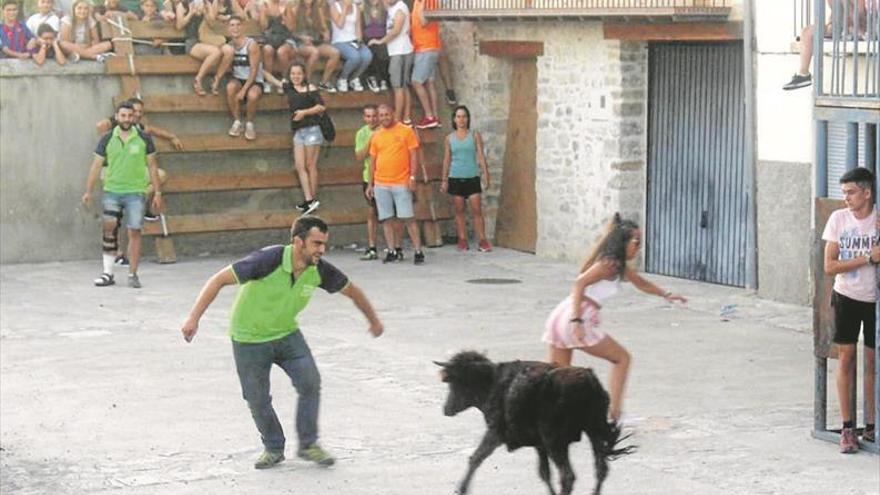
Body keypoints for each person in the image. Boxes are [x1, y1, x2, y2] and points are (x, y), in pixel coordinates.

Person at [179, 215, 384, 470]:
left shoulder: (318, 269)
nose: (321, 250)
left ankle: (309, 444)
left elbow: (353, 291)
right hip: (249, 338)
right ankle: (274, 447)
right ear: (298, 242)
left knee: (310, 382)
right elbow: (218, 280)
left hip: (287, 334)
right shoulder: (268, 260)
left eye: (324, 244)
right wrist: (193, 318)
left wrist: (373, 321)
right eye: (316, 243)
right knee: (257, 399)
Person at [543, 214, 687, 422]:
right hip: (578, 315)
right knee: (622, 358)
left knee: (558, 376)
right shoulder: (608, 264)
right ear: (623, 241)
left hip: (560, 315)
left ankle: (544, 418)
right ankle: (615, 415)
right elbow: (579, 283)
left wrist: (666, 295)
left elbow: (642, 283)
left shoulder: (616, 265)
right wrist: (577, 321)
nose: (638, 248)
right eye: (635, 242)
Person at [822, 166, 878, 453]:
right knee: (846, 358)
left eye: (851, 192)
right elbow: (829, 266)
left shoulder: (878, 219)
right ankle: (847, 427)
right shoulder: (838, 219)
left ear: (867, 193)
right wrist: (868, 258)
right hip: (846, 296)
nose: (846, 198)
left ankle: (871, 425)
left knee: (873, 362)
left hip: (874, 300)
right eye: (843, 192)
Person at [81, 101, 164, 289]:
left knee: (134, 231)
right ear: (117, 117)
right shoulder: (107, 138)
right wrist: (88, 190)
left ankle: (133, 274)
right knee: (109, 232)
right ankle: (107, 273)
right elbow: (95, 166)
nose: (127, 119)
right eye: (123, 116)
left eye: (130, 116)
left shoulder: (143, 138)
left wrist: (157, 192)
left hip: (136, 193)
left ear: (134, 117)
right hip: (112, 191)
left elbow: (152, 166)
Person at [366, 103, 425, 265]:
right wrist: (370, 184)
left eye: (386, 114)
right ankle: (391, 250)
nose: (384, 117)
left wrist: (413, 177)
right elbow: (372, 161)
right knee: (386, 218)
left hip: (401, 181)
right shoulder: (376, 136)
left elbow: (414, 155)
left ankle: (418, 250)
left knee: (408, 217)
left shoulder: (406, 131)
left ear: (392, 114)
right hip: (381, 182)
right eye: (381, 115)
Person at [265, 62, 325, 214]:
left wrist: (304, 112)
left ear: (304, 74)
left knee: (310, 165)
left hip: (312, 130)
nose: (296, 77)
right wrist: (258, 68)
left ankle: (313, 198)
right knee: (300, 166)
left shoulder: (310, 89)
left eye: (298, 73)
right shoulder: (289, 87)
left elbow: (321, 107)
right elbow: (273, 80)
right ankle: (309, 199)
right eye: (293, 74)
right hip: (299, 131)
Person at [783, 0, 868, 90]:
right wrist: (832, 24)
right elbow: (836, 15)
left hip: (861, 27)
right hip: (839, 27)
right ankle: (803, 74)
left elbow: (861, 13)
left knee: (852, 25)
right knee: (807, 31)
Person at [440, 105, 491, 252]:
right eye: (458, 117)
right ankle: (462, 239)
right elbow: (447, 159)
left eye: (464, 116)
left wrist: (486, 174)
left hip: (472, 176)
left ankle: (482, 239)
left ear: (468, 119)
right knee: (459, 210)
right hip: (456, 177)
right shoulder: (449, 138)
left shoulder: (474, 135)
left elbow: (480, 155)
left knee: (476, 209)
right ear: (454, 119)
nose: (461, 120)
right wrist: (444, 180)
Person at [355, 104, 401, 260]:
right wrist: (371, 140)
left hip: (389, 177)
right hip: (370, 178)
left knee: (392, 215)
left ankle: (396, 247)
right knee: (372, 213)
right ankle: (372, 247)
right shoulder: (362, 133)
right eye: (368, 116)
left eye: (374, 116)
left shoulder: (388, 130)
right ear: (364, 118)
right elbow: (359, 157)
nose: (372, 119)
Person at [216, 15, 264, 140]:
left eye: (238, 25)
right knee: (230, 87)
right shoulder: (229, 46)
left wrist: (243, 91)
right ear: (228, 28)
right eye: (232, 25)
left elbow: (254, 71)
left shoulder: (251, 44)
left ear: (242, 27)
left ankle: (249, 123)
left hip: (253, 80)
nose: (235, 28)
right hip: (238, 78)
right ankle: (237, 122)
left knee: (252, 95)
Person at [367, 0, 412, 123]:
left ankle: (398, 118)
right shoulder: (391, 8)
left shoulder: (400, 8)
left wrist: (380, 41)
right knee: (402, 86)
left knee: (398, 86)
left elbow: (396, 30)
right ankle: (406, 117)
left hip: (401, 51)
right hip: (395, 51)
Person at [288, 0, 340, 93]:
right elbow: (291, 32)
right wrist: (303, 38)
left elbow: (324, 28)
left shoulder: (317, 10)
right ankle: (305, 81)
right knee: (314, 52)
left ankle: (324, 82)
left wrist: (326, 33)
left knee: (335, 53)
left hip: (315, 41)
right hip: (300, 42)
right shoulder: (295, 10)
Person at [174, 0, 223, 95]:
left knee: (221, 52)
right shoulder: (183, 5)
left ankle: (213, 81)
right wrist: (191, 13)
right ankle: (198, 79)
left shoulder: (207, 3)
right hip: (192, 42)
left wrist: (205, 12)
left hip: (206, 40)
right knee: (216, 52)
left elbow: (213, 24)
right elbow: (179, 26)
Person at [409, 0, 440, 129]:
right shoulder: (417, 2)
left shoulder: (429, 2)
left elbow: (424, 21)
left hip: (426, 47)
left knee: (416, 81)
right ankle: (435, 117)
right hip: (424, 46)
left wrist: (421, 7)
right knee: (429, 82)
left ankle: (429, 116)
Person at [328, 0, 371, 92]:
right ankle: (342, 78)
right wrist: (345, 7)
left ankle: (354, 78)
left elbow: (358, 27)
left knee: (367, 56)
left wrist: (359, 41)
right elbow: (340, 24)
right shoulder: (334, 7)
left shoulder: (356, 8)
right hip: (339, 41)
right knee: (355, 57)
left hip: (354, 40)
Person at [259, 0, 293, 94]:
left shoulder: (286, 6)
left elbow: (291, 28)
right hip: (270, 39)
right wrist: (265, 14)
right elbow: (263, 27)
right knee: (267, 50)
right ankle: (268, 81)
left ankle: (285, 79)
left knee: (281, 52)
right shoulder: (265, 5)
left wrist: (284, 16)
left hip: (285, 38)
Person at [361, 0, 388, 93]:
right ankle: (372, 78)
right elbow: (361, 28)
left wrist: (381, 40)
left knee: (383, 54)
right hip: (368, 38)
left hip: (382, 38)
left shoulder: (384, 9)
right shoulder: (362, 10)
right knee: (371, 52)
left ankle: (383, 79)